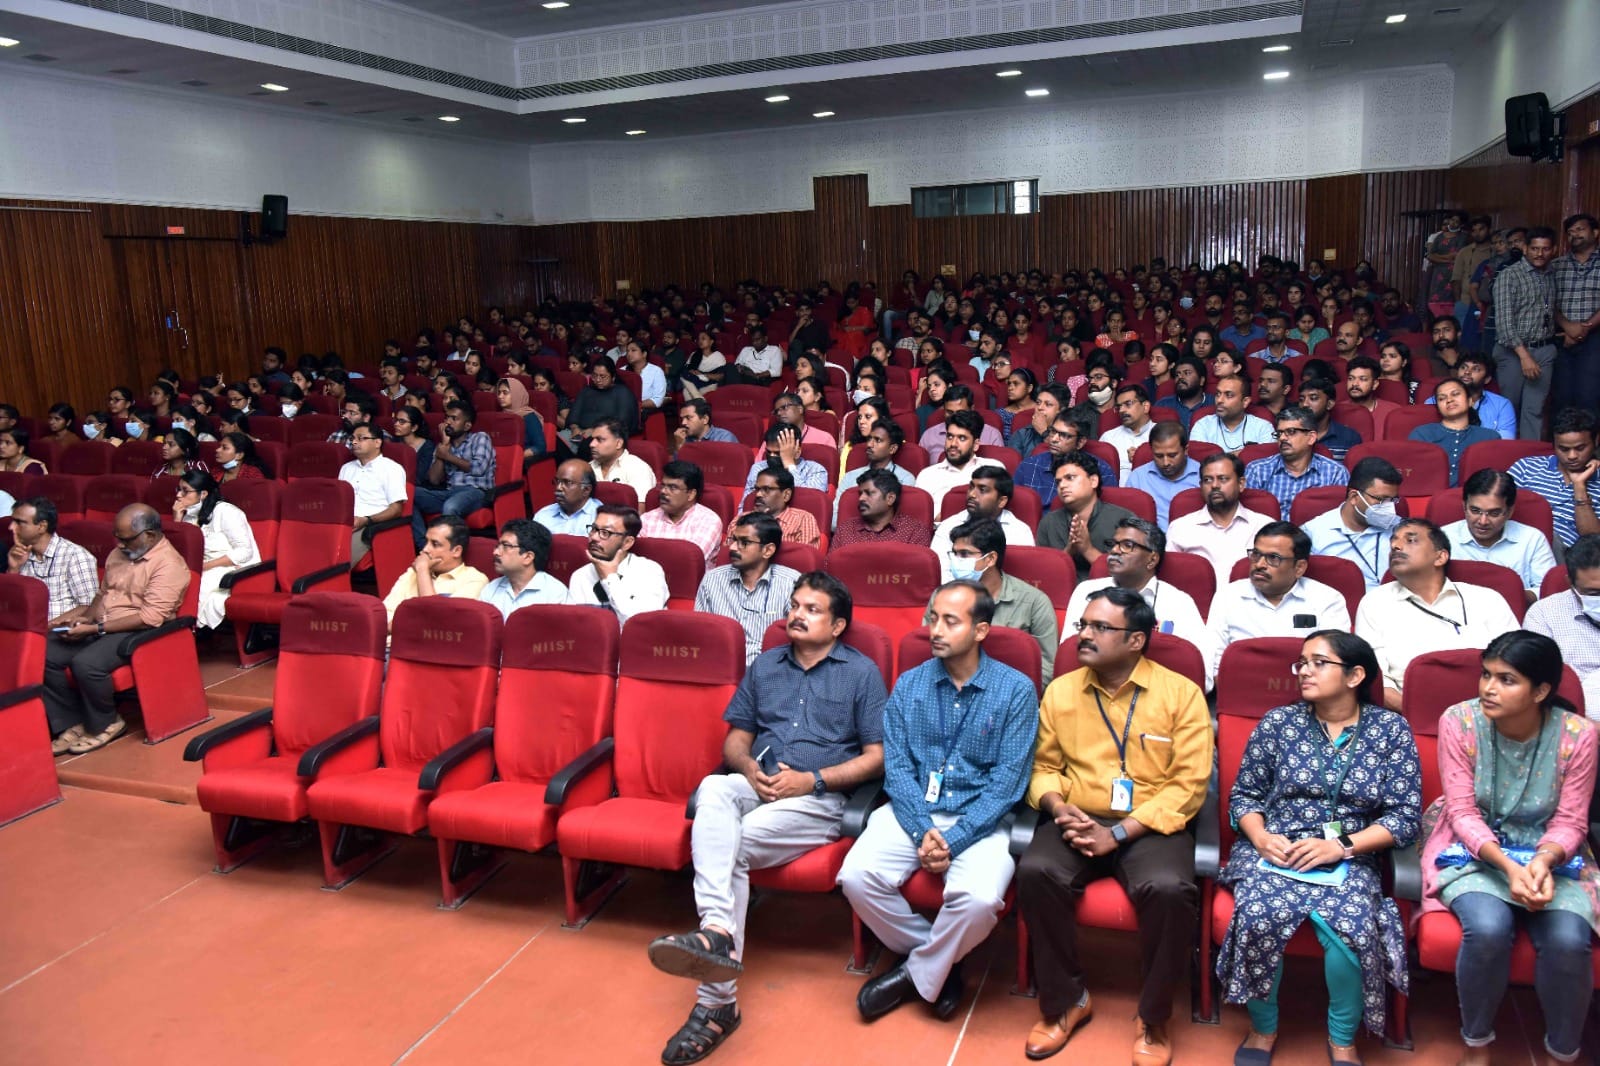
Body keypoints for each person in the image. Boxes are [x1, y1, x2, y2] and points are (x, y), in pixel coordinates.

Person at [648, 572, 886, 1065]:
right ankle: (718, 929)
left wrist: (813, 780)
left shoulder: (861, 673)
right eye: (795, 605)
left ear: (838, 624)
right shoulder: (766, 666)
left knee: (728, 845)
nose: (797, 614)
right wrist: (749, 767)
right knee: (715, 787)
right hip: (761, 784)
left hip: (817, 799)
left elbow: (876, 757)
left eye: (812, 609)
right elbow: (735, 739)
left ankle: (716, 1004)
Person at [1017, 588, 1212, 1065]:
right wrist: (1057, 807)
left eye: (1100, 628)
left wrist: (1120, 833)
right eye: (1084, 624)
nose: (1083, 635)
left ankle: (1154, 1016)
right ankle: (1066, 1002)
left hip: (1149, 823)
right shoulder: (1062, 690)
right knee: (1035, 871)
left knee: (1169, 889)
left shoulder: (1180, 694)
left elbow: (1187, 786)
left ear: (1137, 641)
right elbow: (1043, 766)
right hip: (1077, 814)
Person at [839, 581, 1039, 1023]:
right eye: (933, 618)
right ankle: (940, 962)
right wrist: (921, 829)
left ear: (981, 630)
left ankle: (915, 973)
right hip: (914, 811)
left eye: (951, 621)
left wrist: (957, 837)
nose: (935, 629)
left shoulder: (1015, 690)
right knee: (856, 876)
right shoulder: (910, 685)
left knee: (980, 900)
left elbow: (1009, 783)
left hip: (983, 819)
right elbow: (897, 769)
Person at [1217, 630, 1420, 1065]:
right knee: (1258, 913)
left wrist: (1340, 846)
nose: (1304, 671)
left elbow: (1403, 817)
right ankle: (1263, 1028)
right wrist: (1261, 837)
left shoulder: (1390, 730)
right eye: (1301, 663)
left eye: (1318, 662)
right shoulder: (1279, 723)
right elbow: (1245, 797)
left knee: (1352, 927)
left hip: (1351, 852)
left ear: (1355, 675)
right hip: (1276, 847)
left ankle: (1342, 1038)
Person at [1418, 631, 1597, 1066]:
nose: (1488, 689)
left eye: (1506, 679)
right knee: (1489, 929)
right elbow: (1461, 812)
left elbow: (1572, 819)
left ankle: (1562, 1052)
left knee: (1570, 941)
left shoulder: (1579, 735)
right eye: (1486, 675)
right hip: (1471, 849)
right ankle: (1476, 1045)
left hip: (1553, 853)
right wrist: (1507, 867)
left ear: (1541, 691)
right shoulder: (1459, 721)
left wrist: (1542, 861)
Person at [44, 504, 189, 755]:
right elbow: (103, 595)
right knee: (46, 653)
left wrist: (95, 628)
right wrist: (84, 620)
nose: (120, 545)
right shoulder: (119, 554)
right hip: (102, 625)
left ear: (150, 535)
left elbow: (149, 617)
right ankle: (72, 722)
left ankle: (106, 722)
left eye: (126, 540)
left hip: (140, 632)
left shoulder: (169, 565)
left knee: (86, 663)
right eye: (117, 538)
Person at [1354, 519, 1520, 711]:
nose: (1395, 546)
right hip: (1408, 715)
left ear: (1440, 557)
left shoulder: (1487, 599)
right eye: (1394, 541)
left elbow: (1517, 663)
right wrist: (1418, 714)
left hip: (1489, 711)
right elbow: (1376, 679)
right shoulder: (1375, 602)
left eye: (1411, 540)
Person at [1062, 517, 1214, 690]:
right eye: (1114, 543)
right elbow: (1068, 656)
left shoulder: (1179, 603)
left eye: (1127, 545)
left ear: (1152, 559)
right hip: (1092, 690)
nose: (1115, 551)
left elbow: (1203, 676)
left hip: (1158, 699)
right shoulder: (1085, 592)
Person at [1206, 522, 1353, 681]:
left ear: (1299, 568)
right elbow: (1215, 662)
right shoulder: (1228, 596)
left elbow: (1334, 665)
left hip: (1307, 692)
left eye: (1273, 558)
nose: (1260, 564)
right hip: (1243, 690)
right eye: (1256, 554)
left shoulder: (1328, 600)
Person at [929, 517, 1058, 677]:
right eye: (954, 553)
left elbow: (1047, 668)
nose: (956, 561)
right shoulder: (941, 597)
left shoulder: (1035, 602)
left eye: (964, 554)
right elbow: (929, 653)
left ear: (990, 559)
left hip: (1012, 695)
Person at [695, 512, 800, 665]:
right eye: (733, 540)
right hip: (719, 669)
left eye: (744, 542)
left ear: (767, 550)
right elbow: (700, 634)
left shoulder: (791, 583)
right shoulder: (712, 580)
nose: (732, 547)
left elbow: (797, 643)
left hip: (769, 672)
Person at [1444, 467, 1562, 597]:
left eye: (1494, 513)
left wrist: (1509, 596)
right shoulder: (1443, 538)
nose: (1483, 521)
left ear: (1509, 512)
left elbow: (1548, 591)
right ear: (1464, 507)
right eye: (1475, 511)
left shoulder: (1533, 539)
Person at [1166, 453, 1273, 592]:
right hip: (1196, 608)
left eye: (1223, 479)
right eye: (1207, 480)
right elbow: (1168, 582)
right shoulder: (1180, 528)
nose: (1215, 485)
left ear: (1241, 484)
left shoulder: (1264, 526)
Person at [1492, 226, 1559, 440]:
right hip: (1513, 351)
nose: (1540, 254)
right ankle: (1505, 457)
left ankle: (1530, 460)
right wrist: (1525, 357)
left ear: (1554, 250)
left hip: (1545, 348)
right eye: (1535, 248)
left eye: (1545, 249)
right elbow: (1504, 323)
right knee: (1509, 407)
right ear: (1525, 248)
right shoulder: (1509, 276)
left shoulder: (1551, 274)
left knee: (1535, 409)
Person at [172, 470, 258, 630]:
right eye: (178, 489)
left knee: (191, 587)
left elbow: (245, 552)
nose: (178, 495)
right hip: (197, 567)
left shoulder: (226, 512)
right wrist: (177, 519)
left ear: (203, 493)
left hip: (228, 567)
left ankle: (185, 632)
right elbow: (178, 551)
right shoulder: (188, 514)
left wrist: (206, 566)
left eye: (185, 490)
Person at [1303, 456, 1404, 590]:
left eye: (1393, 500)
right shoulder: (1313, 533)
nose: (1389, 506)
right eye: (1382, 500)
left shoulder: (1402, 530)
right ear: (1354, 497)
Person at [1038, 451, 1140, 580]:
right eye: (1058, 482)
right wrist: (1070, 550)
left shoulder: (1124, 520)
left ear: (1093, 481)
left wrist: (1087, 549)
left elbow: (1132, 576)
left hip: (1111, 595)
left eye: (1070, 478)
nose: (1062, 486)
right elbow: (1044, 576)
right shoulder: (1048, 523)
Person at [1509, 407, 1600, 548]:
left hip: (1564, 555)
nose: (1572, 456)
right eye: (1563, 449)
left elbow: (1594, 541)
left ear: (1596, 441)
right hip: (1516, 541)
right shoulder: (1526, 467)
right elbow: (1494, 505)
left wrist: (1579, 486)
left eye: (1580, 448)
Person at [412, 401, 495, 550]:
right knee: (408, 495)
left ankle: (448, 553)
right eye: (447, 418)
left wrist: (448, 456)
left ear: (467, 426)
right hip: (449, 492)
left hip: (476, 492)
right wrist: (442, 450)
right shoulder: (444, 446)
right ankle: (424, 547)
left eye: (454, 419)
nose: (448, 422)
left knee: (451, 507)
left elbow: (478, 468)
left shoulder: (480, 438)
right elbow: (434, 479)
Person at [381, 515, 489, 628]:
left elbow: (435, 621)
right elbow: (385, 615)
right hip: (392, 643)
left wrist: (423, 570)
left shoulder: (475, 580)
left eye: (435, 544)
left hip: (429, 644)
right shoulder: (412, 573)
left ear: (456, 551)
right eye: (426, 541)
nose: (425, 549)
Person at [928, 465, 1035, 580]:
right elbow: (939, 573)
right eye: (971, 487)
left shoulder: (1020, 531)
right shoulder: (949, 525)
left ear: (1001, 501)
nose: (972, 495)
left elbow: (1019, 576)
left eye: (982, 490)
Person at [1246, 406, 1350, 522]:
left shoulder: (1335, 473)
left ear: (1311, 438)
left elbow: (1341, 520)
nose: (1283, 438)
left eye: (1291, 432)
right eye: (1279, 433)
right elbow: (1249, 520)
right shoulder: (1257, 470)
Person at [568, 504, 669, 624]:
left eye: (605, 533)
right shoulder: (580, 576)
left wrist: (609, 578)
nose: (594, 537)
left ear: (627, 542)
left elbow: (642, 625)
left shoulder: (649, 571)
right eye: (594, 529)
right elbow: (576, 626)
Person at [1524, 534, 1600, 690]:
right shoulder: (1543, 614)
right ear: (1570, 583)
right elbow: (1538, 678)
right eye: (1593, 593)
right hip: (1575, 706)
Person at [7, 497, 98, 622]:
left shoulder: (75, 556)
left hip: (60, 634)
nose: (11, 527)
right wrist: (14, 568)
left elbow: (89, 606)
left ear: (42, 527)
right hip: (26, 630)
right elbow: (9, 604)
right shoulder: (19, 554)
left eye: (19, 522)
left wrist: (47, 627)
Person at [338, 425, 407, 564]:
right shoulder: (346, 468)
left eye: (361, 438)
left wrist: (366, 520)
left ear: (377, 442)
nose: (354, 442)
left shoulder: (391, 469)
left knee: (336, 559)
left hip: (369, 526)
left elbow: (396, 510)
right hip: (342, 523)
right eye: (352, 439)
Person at [1553, 212, 1600, 416]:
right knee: (1561, 397)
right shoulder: (1556, 265)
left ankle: (1588, 446)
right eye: (1570, 232)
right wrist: (1567, 326)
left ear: (1595, 233)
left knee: (1588, 396)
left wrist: (1584, 328)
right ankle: (1560, 446)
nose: (1574, 235)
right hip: (1561, 337)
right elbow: (1546, 301)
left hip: (1595, 338)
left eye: (1580, 229)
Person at [1015, 413, 1116, 507]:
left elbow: (1106, 513)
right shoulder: (1029, 465)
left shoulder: (1101, 470)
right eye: (1053, 431)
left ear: (1080, 442)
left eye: (1064, 435)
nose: (1054, 439)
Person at [479, 518, 568, 619]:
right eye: (497, 546)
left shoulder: (554, 594)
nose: (496, 552)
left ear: (528, 557)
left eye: (506, 546)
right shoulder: (491, 588)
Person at [832, 419, 915, 525]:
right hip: (852, 536)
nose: (870, 444)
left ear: (892, 449)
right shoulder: (850, 477)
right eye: (869, 439)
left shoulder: (905, 479)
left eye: (878, 440)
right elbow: (834, 520)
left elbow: (902, 519)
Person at [641, 460, 724, 566]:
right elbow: (635, 558)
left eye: (673, 487)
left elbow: (689, 562)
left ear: (691, 494)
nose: (663, 491)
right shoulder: (646, 519)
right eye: (663, 486)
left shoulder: (708, 521)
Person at [832, 468, 934, 549]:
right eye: (860, 494)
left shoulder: (914, 532)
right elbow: (831, 568)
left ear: (890, 498)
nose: (861, 498)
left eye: (869, 493)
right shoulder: (845, 530)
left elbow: (919, 572)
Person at [1123, 422, 1201, 529]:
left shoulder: (1203, 476)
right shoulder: (1137, 477)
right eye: (1159, 456)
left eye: (1172, 455)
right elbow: (1128, 520)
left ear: (1185, 450)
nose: (1165, 462)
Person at [914, 409, 987, 505]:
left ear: (976, 445)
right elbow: (917, 517)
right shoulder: (927, 476)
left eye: (962, 438)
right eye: (950, 437)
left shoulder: (993, 469)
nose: (953, 444)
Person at [917, 384, 1006, 462]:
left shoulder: (992, 434)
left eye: (960, 412)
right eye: (949, 412)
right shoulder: (928, 436)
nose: (955, 417)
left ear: (972, 409)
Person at [1190, 375, 1273, 454]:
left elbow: (1268, 462)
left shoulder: (1263, 428)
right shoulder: (1202, 425)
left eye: (1229, 395)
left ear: (1245, 402)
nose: (1219, 400)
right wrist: (1244, 453)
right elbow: (1200, 460)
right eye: (1218, 394)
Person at [741, 467, 820, 549]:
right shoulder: (741, 519)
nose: (758, 494)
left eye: (766, 489)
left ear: (786, 495)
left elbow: (804, 558)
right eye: (757, 489)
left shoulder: (803, 519)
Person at [743, 424, 827, 495]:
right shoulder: (758, 468)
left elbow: (809, 500)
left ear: (797, 452)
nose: (772, 456)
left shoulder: (815, 470)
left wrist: (789, 464)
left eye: (778, 453)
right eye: (769, 452)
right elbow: (746, 505)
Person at [567, 358, 638, 441]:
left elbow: (623, 423)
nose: (597, 380)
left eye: (602, 376)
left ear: (613, 377)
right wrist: (575, 428)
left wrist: (595, 431)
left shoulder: (623, 393)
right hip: (576, 433)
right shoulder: (586, 391)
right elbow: (573, 415)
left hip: (605, 436)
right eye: (594, 375)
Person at [1295, 378, 1362, 463]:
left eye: (1313, 398)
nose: (1305, 404)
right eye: (1301, 399)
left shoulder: (1350, 437)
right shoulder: (1292, 435)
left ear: (1329, 404)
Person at [588, 416, 657, 499]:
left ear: (618, 444)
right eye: (592, 439)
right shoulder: (587, 468)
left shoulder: (637, 468)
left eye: (599, 440)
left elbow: (640, 509)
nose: (591, 444)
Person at [1101, 384, 1156, 482]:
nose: (1121, 410)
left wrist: (1144, 458)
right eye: (1118, 407)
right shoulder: (1108, 438)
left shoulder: (1164, 434)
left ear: (1146, 407)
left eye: (1128, 404)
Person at [533, 459, 601, 537]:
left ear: (586, 490)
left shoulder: (599, 517)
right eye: (557, 481)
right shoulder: (543, 515)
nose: (559, 488)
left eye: (567, 482)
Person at [495, 378, 547, 465]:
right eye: (499, 392)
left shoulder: (529, 417)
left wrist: (516, 457)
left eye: (505, 392)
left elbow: (540, 447)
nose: (500, 396)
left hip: (520, 462)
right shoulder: (501, 416)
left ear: (516, 394)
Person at [1153, 356, 1213, 431]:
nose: (1180, 377)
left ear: (1201, 380)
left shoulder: (1214, 403)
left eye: (1187, 373)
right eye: (1177, 374)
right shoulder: (1163, 405)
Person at [673, 398, 738, 450]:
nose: (683, 423)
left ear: (705, 419)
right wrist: (680, 445)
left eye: (688, 417)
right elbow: (678, 465)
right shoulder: (683, 439)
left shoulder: (723, 438)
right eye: (682, 418)